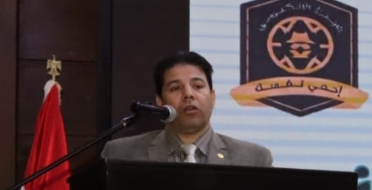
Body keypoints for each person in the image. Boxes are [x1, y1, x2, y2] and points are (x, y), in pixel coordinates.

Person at [101, 51, 273, 166]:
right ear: (160, 102)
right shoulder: (120, 154)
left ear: (212, 97)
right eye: (175, 88)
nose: (188, 94)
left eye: (198, 86)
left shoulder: (253, 159)